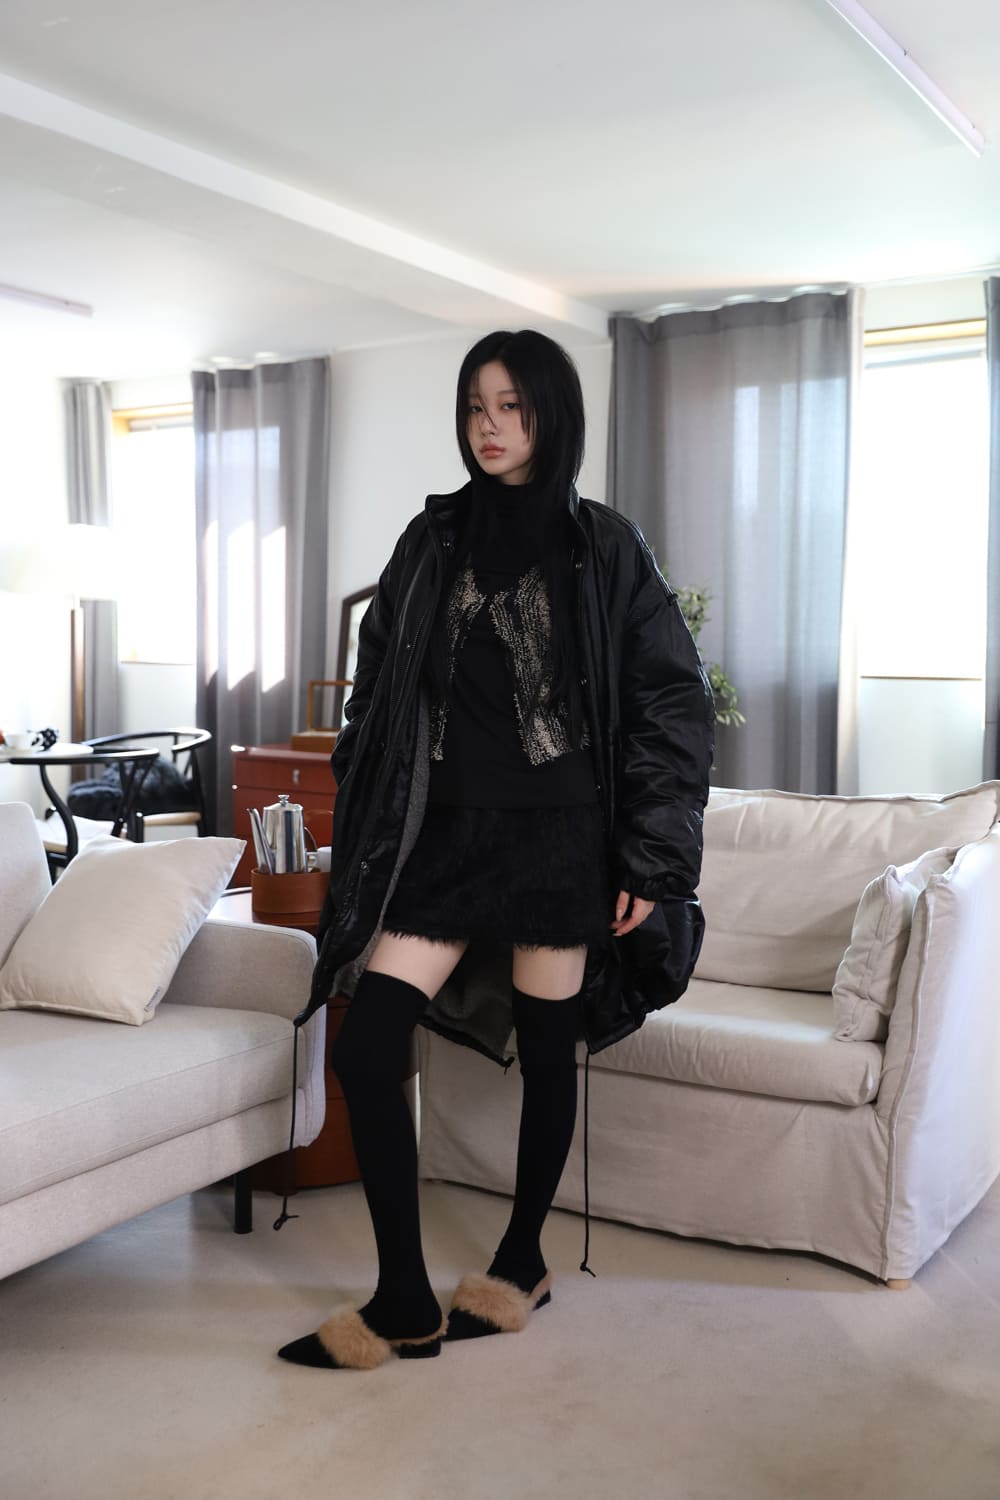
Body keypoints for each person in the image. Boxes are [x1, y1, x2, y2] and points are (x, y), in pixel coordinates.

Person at [278, 329, 715, 1370]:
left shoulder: (603, 545)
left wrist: (650, 860)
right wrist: (363, 782)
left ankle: (521, 1260)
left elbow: (670, 701)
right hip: (441, 840)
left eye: (512, 406)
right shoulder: (432, 538)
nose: (490, 426)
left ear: (550, 415)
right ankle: (401, 1299)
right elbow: (376, 681)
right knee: (367, 1047)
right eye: (477, 406)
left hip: (560, 839)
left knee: (549, 1047)